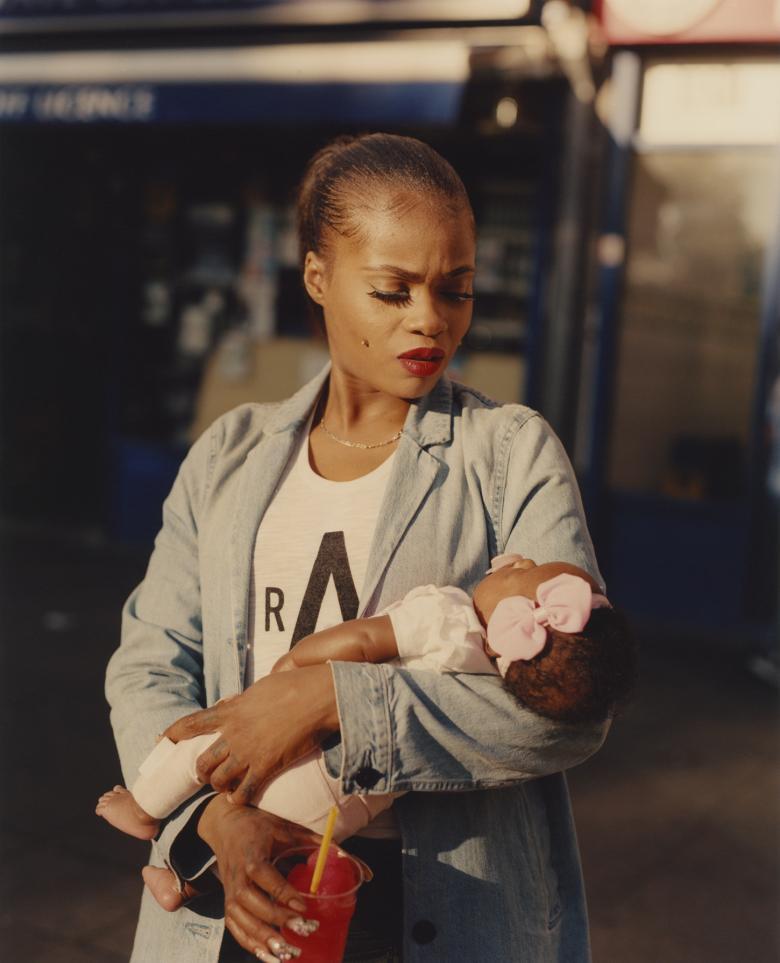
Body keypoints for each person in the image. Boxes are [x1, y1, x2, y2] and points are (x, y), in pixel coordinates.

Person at [105, 132, 612, 963]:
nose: (430, 319)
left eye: (457, 289)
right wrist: (211, 817)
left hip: (441, 912)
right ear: (317, 277)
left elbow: (571, 709)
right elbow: (151, 660)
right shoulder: (230, 456)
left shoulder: (509, 452)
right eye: (392, 289)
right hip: (227, 904)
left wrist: (338, 702)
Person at [98, 555, 636, 912]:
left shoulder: (448, 616)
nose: (521, 559)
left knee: (203, 747)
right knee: (271, 846)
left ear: (521, 618)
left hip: (306, 741)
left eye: (531, 570)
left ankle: (146, 807)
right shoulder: (497, 673)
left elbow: (360, 639)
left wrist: (298, 674)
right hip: (357, 795)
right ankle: (183, 884)